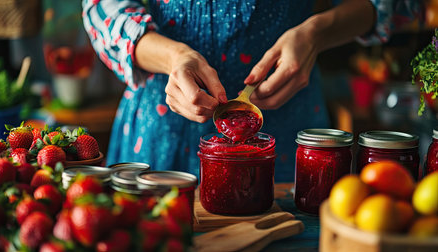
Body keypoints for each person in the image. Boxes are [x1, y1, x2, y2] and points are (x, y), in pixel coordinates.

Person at [82, 0, 422, 182]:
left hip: (288, 126)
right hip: (160, 125)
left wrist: (316, 33)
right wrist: (173, 57)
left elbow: (398, 3)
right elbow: (100, 7)